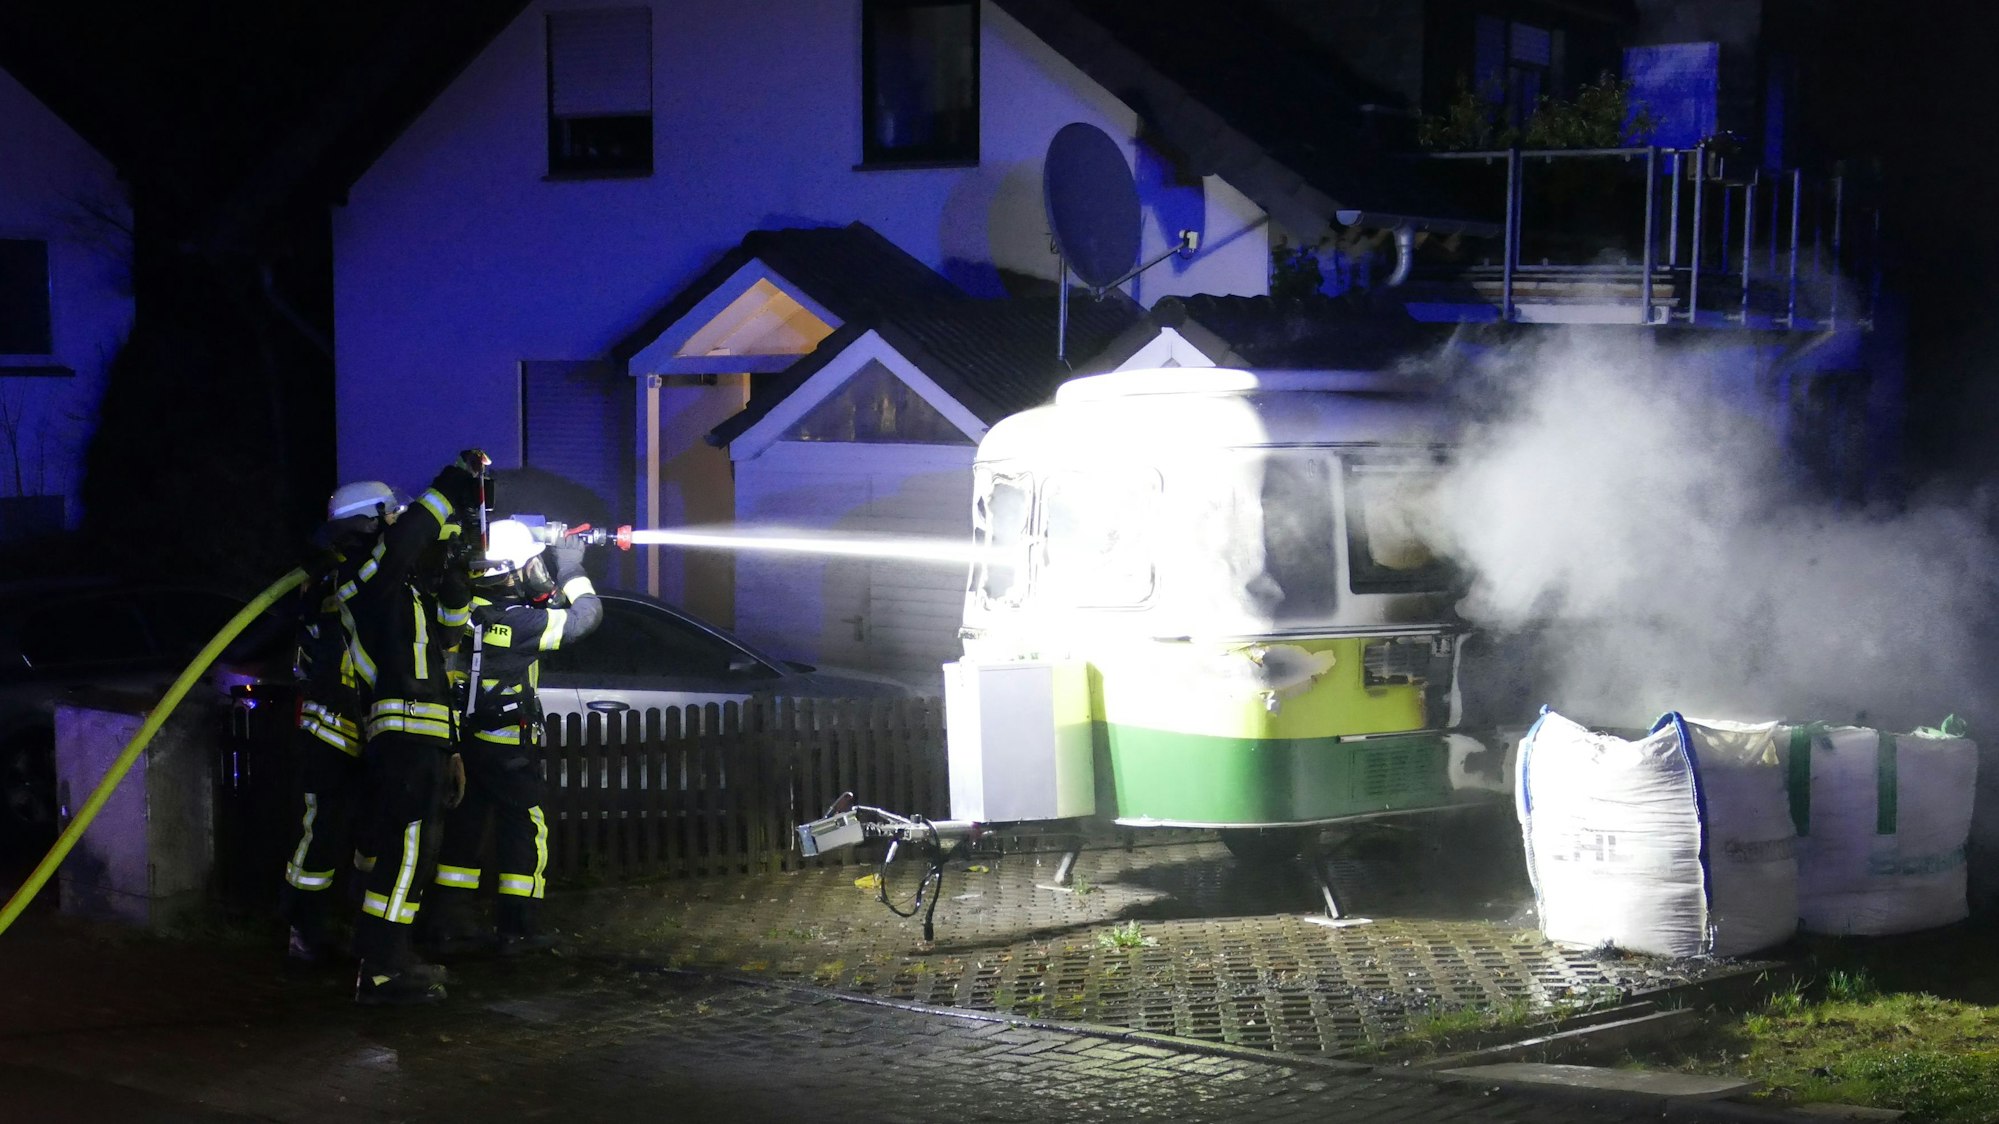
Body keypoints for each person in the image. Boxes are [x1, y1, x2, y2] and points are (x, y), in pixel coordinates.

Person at [340, 449, 488, 1005]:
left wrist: (455, 569)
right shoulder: (361, 576)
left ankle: (382, 956)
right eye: (391, 517)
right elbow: (402, 544)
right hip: (401, 736)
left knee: (411, 851)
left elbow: (447, 639)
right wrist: (454, 481)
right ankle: (383, 968)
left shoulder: (400, 589)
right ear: (370, 522)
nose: (400, 525)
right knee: (407, 852)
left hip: (423, 736)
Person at [426, 519, 602, 954]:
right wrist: (570, 567)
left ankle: (447, 925)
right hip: (506, 749)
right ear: (514, 570)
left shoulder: (459, 612)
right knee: (525, 828)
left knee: (463, 832)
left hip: (462, 749)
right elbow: (585, 617)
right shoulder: (522, 624)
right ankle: (517, 929)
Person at [276, 481, 398, 965]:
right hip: (335, 727)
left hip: (357, 727)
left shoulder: (335, 571)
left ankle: (343, 928)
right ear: (370, 521)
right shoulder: (347, 575)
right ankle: (306, 933)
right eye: (388, 517)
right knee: (323, 834)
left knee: (364, 834)